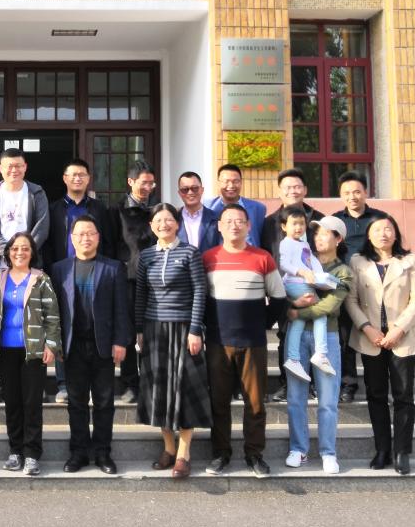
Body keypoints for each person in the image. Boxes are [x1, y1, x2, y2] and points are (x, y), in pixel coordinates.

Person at [203, 204, 294, 478]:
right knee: (218, 401)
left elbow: (278, 297)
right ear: (219, 226)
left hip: (253, 342)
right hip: (218, 342)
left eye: (240, 221)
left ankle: (254, 455)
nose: (234, 225)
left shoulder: (262, 258)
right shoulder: (208, 258)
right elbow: (201, 298)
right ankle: (221, 454)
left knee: (255, 402)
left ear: (248, 226)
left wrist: (262, 323)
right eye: (228, 221)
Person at [346, 214, 415, 476]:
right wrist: (366, 328)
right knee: (376, 395)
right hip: (371, 338)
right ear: (368, 236)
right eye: (377, 229)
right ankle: (382, 449)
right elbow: (351, 300)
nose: (383, 233)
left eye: (388, 229)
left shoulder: (409, 261)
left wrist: (398, 329)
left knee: (403, 396)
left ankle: (402, 451)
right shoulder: (358, 262)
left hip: (403, 338)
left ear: (396, 234)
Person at [135, 204, 210, 478]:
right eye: (158, 220)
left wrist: (195, 329)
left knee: (185, 387)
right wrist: (139, 329)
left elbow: (200, 290)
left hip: (184, 329)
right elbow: (141, 294)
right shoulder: (146, 256)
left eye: (168, 219)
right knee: (159, 389)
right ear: (151, 225)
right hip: (154, 328)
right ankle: (168, 447)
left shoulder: (190, 252)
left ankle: (183, 453)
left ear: (177, 224)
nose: (163, 224)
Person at [0, 232, 61, 476]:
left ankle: (32, 455)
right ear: (8, 253)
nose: (20, 253)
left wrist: (51, 345)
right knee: (12, 403)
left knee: (32, 403)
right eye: (15, 249)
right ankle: (15, 452)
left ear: (32, 252)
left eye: (25, 248)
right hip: (5, 350)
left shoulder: (41, 279)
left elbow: (52, 315)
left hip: (33, 351)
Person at [51, 215, 129, 475]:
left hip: (103, 345)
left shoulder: (113, 268)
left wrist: (120, 341)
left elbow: (121, 308)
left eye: (90, 233)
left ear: (98, 237)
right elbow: (55, 311)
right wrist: (55, 343)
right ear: (72, 239)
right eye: (80, 234)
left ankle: (103, 453)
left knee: (105, 402)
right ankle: (79, 453)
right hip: (72, 346)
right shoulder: (59, 269)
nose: (86, 238)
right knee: (76, 402)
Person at [0, 147, 50, 403]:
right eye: (9, 166)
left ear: (25, 166)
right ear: (1, 169)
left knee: (34, 319)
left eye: (18, 165)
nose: (14, 170)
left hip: (31, 266)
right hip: (0, 266)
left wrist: (25, 252)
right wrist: (9, 252)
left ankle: (36, 381)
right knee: (0, 322)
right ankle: (0, 381)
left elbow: (43, 224)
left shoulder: (36, 192)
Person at [284, 216, 353, 475]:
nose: (318, 238)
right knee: (295, 396)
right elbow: (283, 291)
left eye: (325, 233)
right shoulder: (300, 260)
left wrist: (296, 312)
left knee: (327, 399)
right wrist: (290, 305)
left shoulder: (343, 271)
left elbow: (330, 306)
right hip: (297, 337)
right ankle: (298, 449)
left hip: (328, 338)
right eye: (316, 233)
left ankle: (328, 452)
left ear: (338, 239)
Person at [45, 157, 114, 403]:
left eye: (82, 175)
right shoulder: (53, 209)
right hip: (62, 275)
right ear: (65, 178)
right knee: (62, 326)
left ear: (88, 179)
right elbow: (47, 244)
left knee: (91, 324)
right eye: (73, 174)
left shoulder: (99, 209)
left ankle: (93, 383)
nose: (77, 178)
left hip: (93, 274)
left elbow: (108, 242)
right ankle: (63, 384)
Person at [260, 168, 325, 402]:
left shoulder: (319, 220)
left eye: (297, 186)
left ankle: (316, 384)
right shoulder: (269, 223)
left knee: (314, 335)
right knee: (287, 335)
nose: (293, 191)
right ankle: (287, 384)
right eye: (287, 187)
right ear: (279, 191)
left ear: (305, 190)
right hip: (284, 289)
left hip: (315, 288)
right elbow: (267, 256)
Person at [332, 170, 386, 403]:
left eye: (356, 192)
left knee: (375, 331)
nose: (352, 197)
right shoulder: (336, 221)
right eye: (347, 193)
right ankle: (348, 384)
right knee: (344, 336)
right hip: (345, 286)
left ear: (366, 192)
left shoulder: (379, 219)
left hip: (374, 285)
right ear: (341, 195)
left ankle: (379, 383)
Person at [110, 159, 158, 404]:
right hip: (127, 279)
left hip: (155, 280)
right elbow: (111, 245)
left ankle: (151, 382)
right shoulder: (116, 211)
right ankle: (130, 383)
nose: (148, 187)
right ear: (130, 182)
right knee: (128, 332)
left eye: (151, 183)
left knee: (152, 331)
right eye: (144, 182)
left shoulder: (158, 211)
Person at [278, 207, 338, 383]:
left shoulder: (303, 244)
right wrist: (303, 272)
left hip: (304, 283)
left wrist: (323, 278)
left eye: (302, 224)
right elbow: (284, 264)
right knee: (319, 315)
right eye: (294, 224)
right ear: (284, 226)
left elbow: (313, 263)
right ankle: (320, 353)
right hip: (296, 283)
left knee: (299, 321)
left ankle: (293, 359)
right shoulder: (286, 243)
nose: (298, 227)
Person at [204, 163, 266, 248]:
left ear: (241, 182)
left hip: (250, 254)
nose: (231, 186)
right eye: (226, 181)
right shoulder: (208, 207)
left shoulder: (258, 208)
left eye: (235, 181)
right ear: (218, 183)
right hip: (218, 254)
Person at [175, 171, 220, 254]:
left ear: (202, 190)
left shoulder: (216, 218)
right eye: (185, 189)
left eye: (195, 188)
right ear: (180, 193)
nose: (190, 192)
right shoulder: (173, 219)